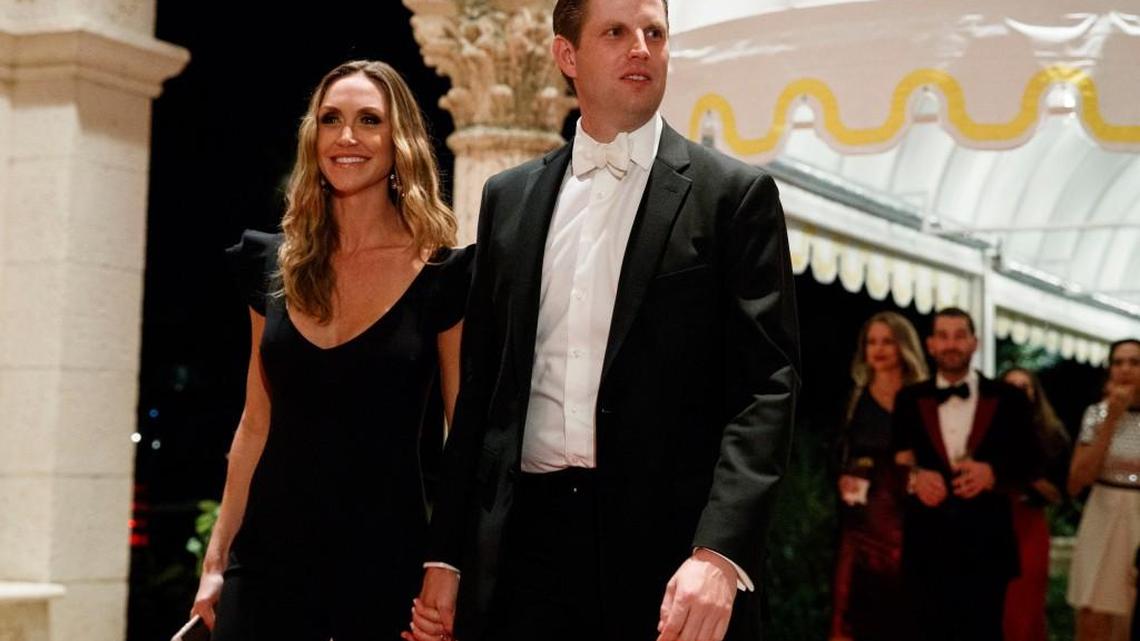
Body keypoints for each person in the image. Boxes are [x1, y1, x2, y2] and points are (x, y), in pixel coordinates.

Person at [406, 1, 800, 640]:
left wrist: (721, 552)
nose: (640, 47)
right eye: (615, 32)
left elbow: (767, 389)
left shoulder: (733, 196)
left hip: (671, 558)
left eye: (654, 33)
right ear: (567, 56)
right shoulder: (507, 199)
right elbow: (482, 394)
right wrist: (447, 554)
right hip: (524, 557)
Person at [189, 60, 471, 641]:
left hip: (386, 570)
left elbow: (464, 438)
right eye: (330, 120)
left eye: (369, 120)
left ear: (401, 142)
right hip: (264, 567)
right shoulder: (273, 264)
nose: (346, 137)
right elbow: (254, 423)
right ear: (312, 136)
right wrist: (217, 558)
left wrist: (448, 566)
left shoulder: (443, 275)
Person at [891, 307, 1038, 641]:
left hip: (987, 547)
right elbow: (895, 462)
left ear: (975, 343)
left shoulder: (1010, 398)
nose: (951, 344)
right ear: (930, 345)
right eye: (943, 336)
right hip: (927, 546)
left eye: (960, 335)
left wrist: (993, 473)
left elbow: (1032, 459)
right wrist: (915, 478)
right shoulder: (909, 399)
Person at [830, 312, 928, 641]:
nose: (879, 349)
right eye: (872, 342)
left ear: (903, 346)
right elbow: (840, 452)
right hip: (861, 520)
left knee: (906, 612)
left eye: (887, 341)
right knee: (853, 612)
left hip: (910, 520)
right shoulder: (856, 397)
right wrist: (845, 476)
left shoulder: (923, 395)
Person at [1067, 338, 1140, 641]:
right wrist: (1111, 419)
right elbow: (1076, 481)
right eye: (1118, 362)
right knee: (1092, 605)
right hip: (1103, 510)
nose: (1125, 369)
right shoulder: (1095, 414)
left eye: (1134, 362)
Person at [1000, 367, 1070, 641]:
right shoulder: (983, 433)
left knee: (1026, 605)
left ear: (1034, 394)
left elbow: (1060, 493)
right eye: (1010, 387)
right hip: (991, 525)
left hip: (1029, 524)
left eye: (1024, 387)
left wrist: (1026, 474)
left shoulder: (1050, 435)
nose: (1017, 393)